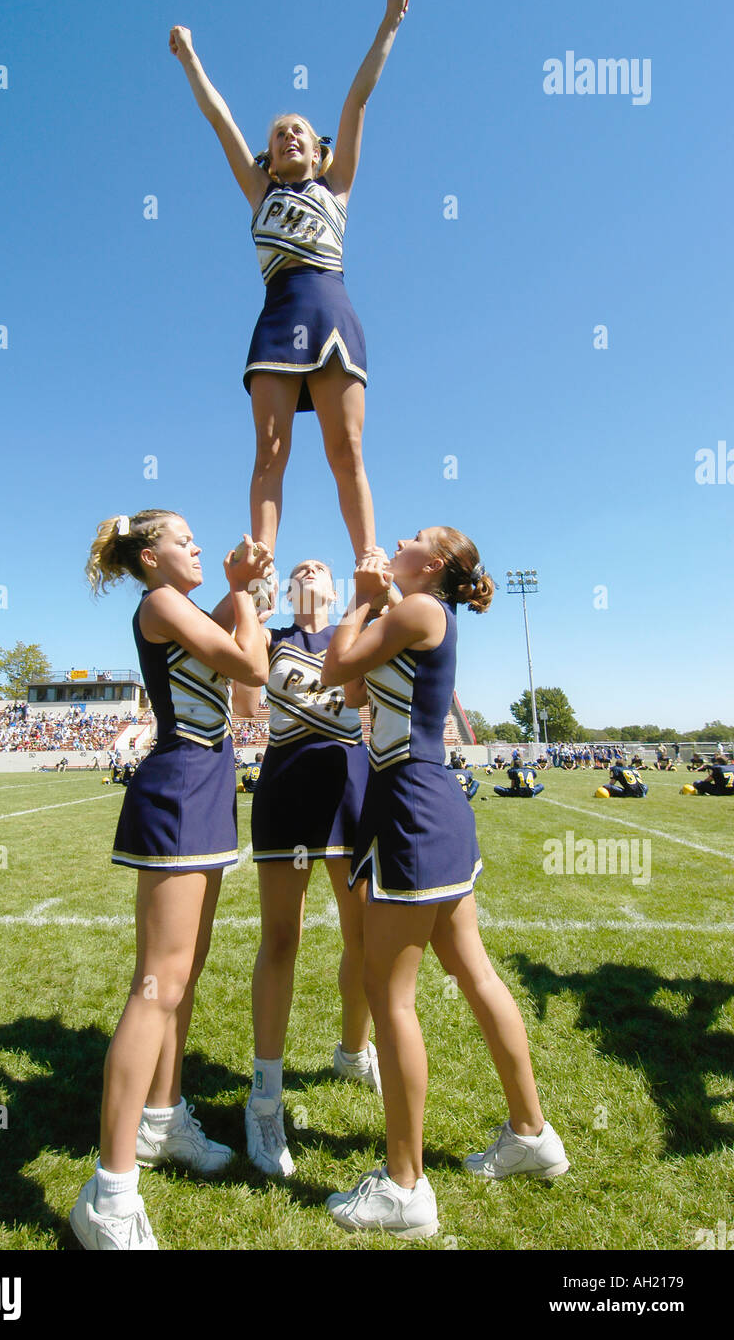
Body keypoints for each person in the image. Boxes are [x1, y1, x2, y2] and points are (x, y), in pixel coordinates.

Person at [319, 528, 568, 1238]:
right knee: (472, 971)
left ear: (430, 566)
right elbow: (364, 685)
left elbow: (337, 667)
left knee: (387, 993)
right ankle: (531, 1135)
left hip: (411, 808)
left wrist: (360, 601)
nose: (397, 538)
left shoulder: (419, 610)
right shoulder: (418, 612)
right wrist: (373, 604)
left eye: (414, 539)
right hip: (425, 804)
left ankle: (405, 1187)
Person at [69, 511, 271, 1251]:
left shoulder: (184, 608)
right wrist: (243, 590)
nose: (196, 545)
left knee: (181, 981)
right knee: (156, 985)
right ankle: (109, 1193)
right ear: (151, 558)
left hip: (209, 788)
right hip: (180, 787)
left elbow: (233, 639)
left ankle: (163, 1120)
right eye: (184, 540)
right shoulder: (158, 604)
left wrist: (241, 586)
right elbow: (250, 669)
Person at [168, 0, 410, 562]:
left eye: (300, 130)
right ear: (269, 158)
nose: (290, 136)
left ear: (319, 150)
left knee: (345, 449)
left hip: (332, 315)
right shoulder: (259, 194)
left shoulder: (338, 188)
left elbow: (357, 102)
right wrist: (190, 59)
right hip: (278, 318)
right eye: (279, 135)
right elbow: (220, 119)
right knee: (270, 450)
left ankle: (367, 560)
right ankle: (261, 565)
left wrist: (389, 25)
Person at [234, 558, 379, 1177]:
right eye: (301, 565)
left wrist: (366, 611)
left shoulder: (359, 630)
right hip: (288, 784)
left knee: (365, 937)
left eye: (320, 565)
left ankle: (354, 1051)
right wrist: (249, 621)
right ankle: (264, 1096)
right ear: (288, 588)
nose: (311, 569)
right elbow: (243, 704)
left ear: (335, 586)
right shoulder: (270, 637)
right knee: (281, 937)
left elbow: (367, 699)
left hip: (349, 784)